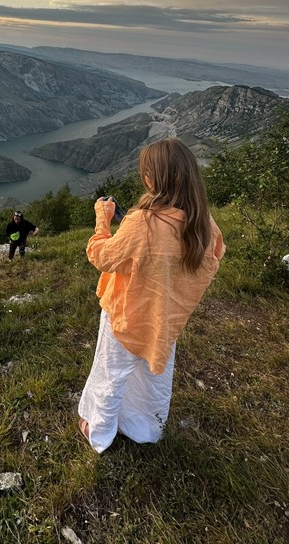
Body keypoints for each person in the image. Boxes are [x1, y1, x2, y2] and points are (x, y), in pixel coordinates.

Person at [78, 138, 225, 453]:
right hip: (164, 321)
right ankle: (146, 429)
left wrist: (103, 219)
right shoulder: (203, 223)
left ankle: (99, 433)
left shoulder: (143, 221)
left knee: (111, 373)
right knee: (152, 377)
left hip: (127, 316)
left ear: (152, 178)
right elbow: (212, 258)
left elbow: (101, 256)